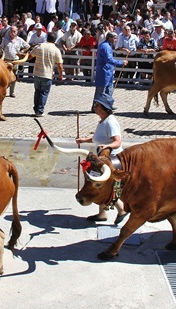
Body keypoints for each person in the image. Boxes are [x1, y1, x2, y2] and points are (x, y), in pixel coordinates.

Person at [75, 94, 127, 224]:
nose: (95, 107)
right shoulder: (103, 121)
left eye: (97, 105)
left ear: (104, 108)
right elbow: (98, 138)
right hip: (102, 159)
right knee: (98, 185)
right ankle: (102, 213)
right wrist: (84, 140)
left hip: (111, 161)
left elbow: (118, 141)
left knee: (104, 186)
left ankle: (121, 210)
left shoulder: (110, 122)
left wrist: (108, 146)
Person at [31, 32, 64, 117]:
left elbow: (31, 55)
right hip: (47, 74)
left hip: (37, 73)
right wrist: (61, 75)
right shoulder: (56, 50)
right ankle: (40, 111)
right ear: (55, 40)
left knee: (37, 91)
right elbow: (59, 64)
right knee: (44, 93)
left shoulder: (39, 46)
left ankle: (36, 109)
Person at [93, 32, 128, 103]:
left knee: (109, 89)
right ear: (109, 38)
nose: (115, 40)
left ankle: (107, 105)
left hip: (108, 71)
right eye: (114, 38)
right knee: (101, 90)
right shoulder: (105, 46)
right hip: (103, 72)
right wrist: (121, 62)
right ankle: (96, 106)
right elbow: (109, 59)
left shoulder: (107, 46)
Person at [2, 25, 30, 97]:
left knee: (13, 77)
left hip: (15, 61)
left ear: (17, 32)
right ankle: (3, 90)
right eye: (11, 31)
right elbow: (1, 48)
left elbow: (28, 46)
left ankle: (12, 92)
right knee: (5, 76)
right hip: (6, 61)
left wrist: (22, 51)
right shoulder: (5, 39)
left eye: (14, 31)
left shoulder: (20, 40)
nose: (12, 33)